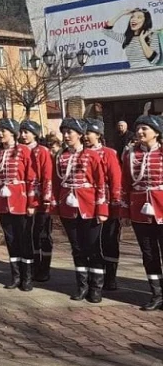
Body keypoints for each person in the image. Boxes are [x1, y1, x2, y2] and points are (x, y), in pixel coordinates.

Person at [54, 118, 107, 303]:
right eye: (64, 132)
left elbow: (100, 183)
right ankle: (82, 286)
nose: (66, 136)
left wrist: (102, 209)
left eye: (70, 132)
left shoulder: (92, 156)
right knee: (77, 249)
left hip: (89, 208)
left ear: (79, 134)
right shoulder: (61, 156)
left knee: (92, 249)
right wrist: (57, 206)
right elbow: (57, 183)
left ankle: (96, 288)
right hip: (69, 209)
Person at [0, 119, 36, 291]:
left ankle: (27, 277)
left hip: (21, 200)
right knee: (10, 240)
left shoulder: (23, 151)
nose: (0, 134)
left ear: (13, 132)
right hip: (4, 201)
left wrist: (32, 203)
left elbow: (31, 179)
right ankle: (15, 276)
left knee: (24, 239)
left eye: (4, 130)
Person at [123, 115, 163, 311]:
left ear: (156, 132)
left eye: (145, 128)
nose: (139, 132)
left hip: (162, 207)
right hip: (140, 209)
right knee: (148, 254)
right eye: (138, 128)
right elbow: (126, 183)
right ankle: (157, 294)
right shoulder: (130, 154)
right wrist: (125, 210)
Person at [84, 119, 124, 291]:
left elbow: (116, 179)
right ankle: (94, 275)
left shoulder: (108, 153)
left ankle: (111, 276)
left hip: (108, 203)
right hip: (88, 204)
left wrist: (116, 201)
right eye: (84, 133)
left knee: (109, 239)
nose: (85, 137)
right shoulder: (80, 154)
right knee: (91, 242)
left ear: (98, 135)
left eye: (88, 133)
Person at [20, 120, 55, 282]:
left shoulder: (42, 151)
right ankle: (32, 266)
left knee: (42, 234)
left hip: (40, 200)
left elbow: (47, 176)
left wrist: (47, 199)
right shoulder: (19, 150)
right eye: (22, 132)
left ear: (35, 134)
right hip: (24, 200)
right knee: (29, 235)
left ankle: (44, 268)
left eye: (27, 132)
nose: (23, 135)